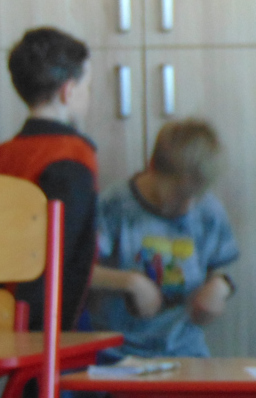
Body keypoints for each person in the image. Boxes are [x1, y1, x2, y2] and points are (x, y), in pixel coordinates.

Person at [0, 27, 96, 332]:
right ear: (68, 91)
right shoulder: (74, 156)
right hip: (42, 328)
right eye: (87, 87)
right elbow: (62, 261)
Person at [87, 119, 239, 358]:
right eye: (179, 194)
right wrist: (129, 282)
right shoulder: (115, 206)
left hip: (184, 349)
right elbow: (79, 272)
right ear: (153, 168)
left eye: (196, 195)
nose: (188, 206)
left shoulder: (209, 211)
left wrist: (220, 287)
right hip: (116, 352)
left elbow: (219, 268)